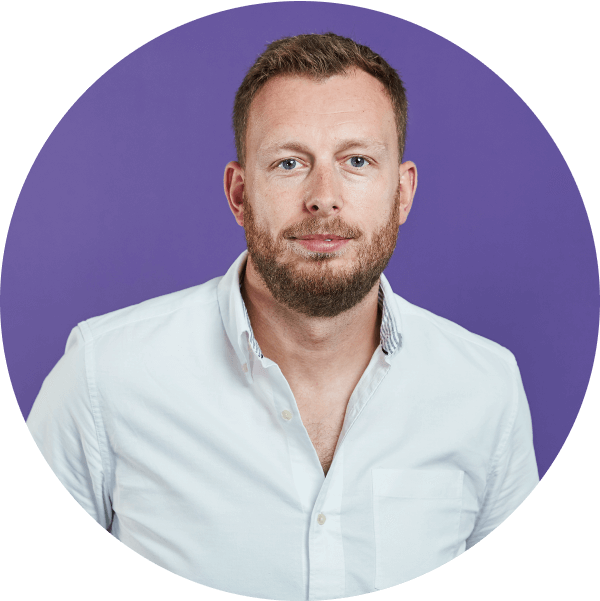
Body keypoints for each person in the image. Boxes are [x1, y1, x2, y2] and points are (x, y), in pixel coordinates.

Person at [26, 33, 539, 595]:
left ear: (402, 193)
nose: (323, 196)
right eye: (290, 162)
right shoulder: (104, 375)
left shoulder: (486, 386)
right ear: (240, 195)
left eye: (358, 160)